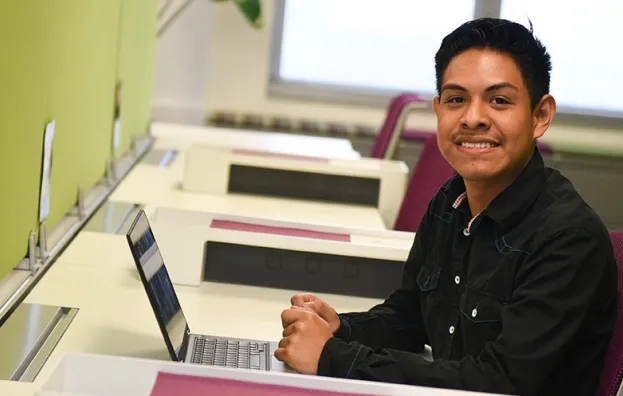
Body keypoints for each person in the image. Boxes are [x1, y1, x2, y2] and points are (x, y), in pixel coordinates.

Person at [273, 17, 618, 396]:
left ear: (540, 115)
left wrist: (333, 357)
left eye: (499, 101)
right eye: (457, 99)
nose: (473, 118)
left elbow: (498, 383)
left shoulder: (567, 238)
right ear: (438, 110)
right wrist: (341, 328)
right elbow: (410, 317)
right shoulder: (451, 202)